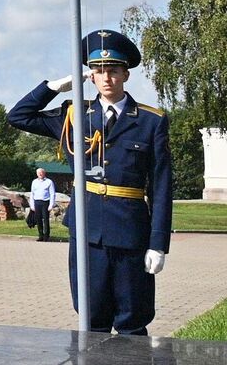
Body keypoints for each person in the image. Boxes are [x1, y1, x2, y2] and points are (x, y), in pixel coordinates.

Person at [9, 29, 173, 336]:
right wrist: (53, 87)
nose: (106, 78)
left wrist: (158, 244)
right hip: (88, 232)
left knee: (132, 321)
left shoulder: (151, 121)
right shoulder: (74, 115)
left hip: (130, 233)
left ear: (126, 74)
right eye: (98, 71)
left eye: (113, 71)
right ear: (90, 76)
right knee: (90, 319)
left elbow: (161, 187)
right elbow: (18, 116)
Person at [30, 166, 56, 242]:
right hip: (37, 202)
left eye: (42, 173)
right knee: (38, 220)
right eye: (39, 173)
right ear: (37, 174)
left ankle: (46, 235)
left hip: (45, 202)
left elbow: (52, 194)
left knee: (45, 219)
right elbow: (32, 193)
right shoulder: (34, 182)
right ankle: (40, 235)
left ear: (44, 173)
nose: (40, 174)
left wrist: (51, 205)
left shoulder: (49, 182)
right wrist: (32, 205)